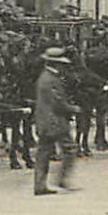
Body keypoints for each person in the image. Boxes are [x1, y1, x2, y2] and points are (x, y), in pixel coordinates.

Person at [32, 46, 80, 196]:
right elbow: (57, 102)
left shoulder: (44, 77)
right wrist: (73, 109)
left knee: (43, 153)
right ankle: (62, 179)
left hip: (44, 120)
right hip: (55, 121)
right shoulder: (51, 80)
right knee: (70, 149)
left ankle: (40, 185)